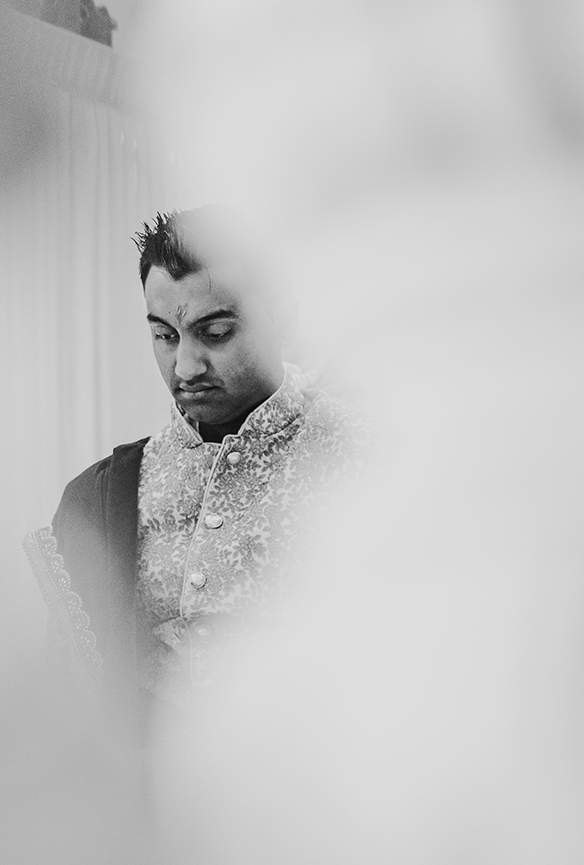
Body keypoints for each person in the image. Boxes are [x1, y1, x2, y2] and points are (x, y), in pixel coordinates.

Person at [23, 206, 367, 732]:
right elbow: (65, 713)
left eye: (216, 332)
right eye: (164, 335)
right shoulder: (101, 496)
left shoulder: (367, 458)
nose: (185, 367)